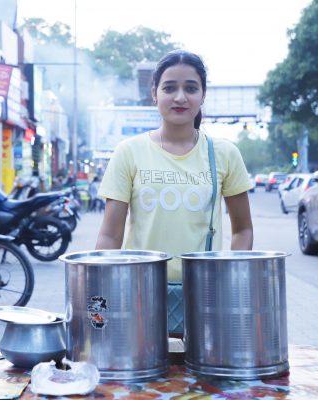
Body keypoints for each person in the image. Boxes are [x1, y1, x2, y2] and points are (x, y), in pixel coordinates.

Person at [95, 50, 253, 336]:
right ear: (154, 93)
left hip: (205, 295)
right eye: (170, 88)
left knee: (199, 378)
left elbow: (242, 229)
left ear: (203, 95)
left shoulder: (225, 153)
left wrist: (229, 280)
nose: (180, 97)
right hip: (138, 293)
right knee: (142, 378)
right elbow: (109, 235)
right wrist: (97, 302)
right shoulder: (128, 152)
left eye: (190, 88)